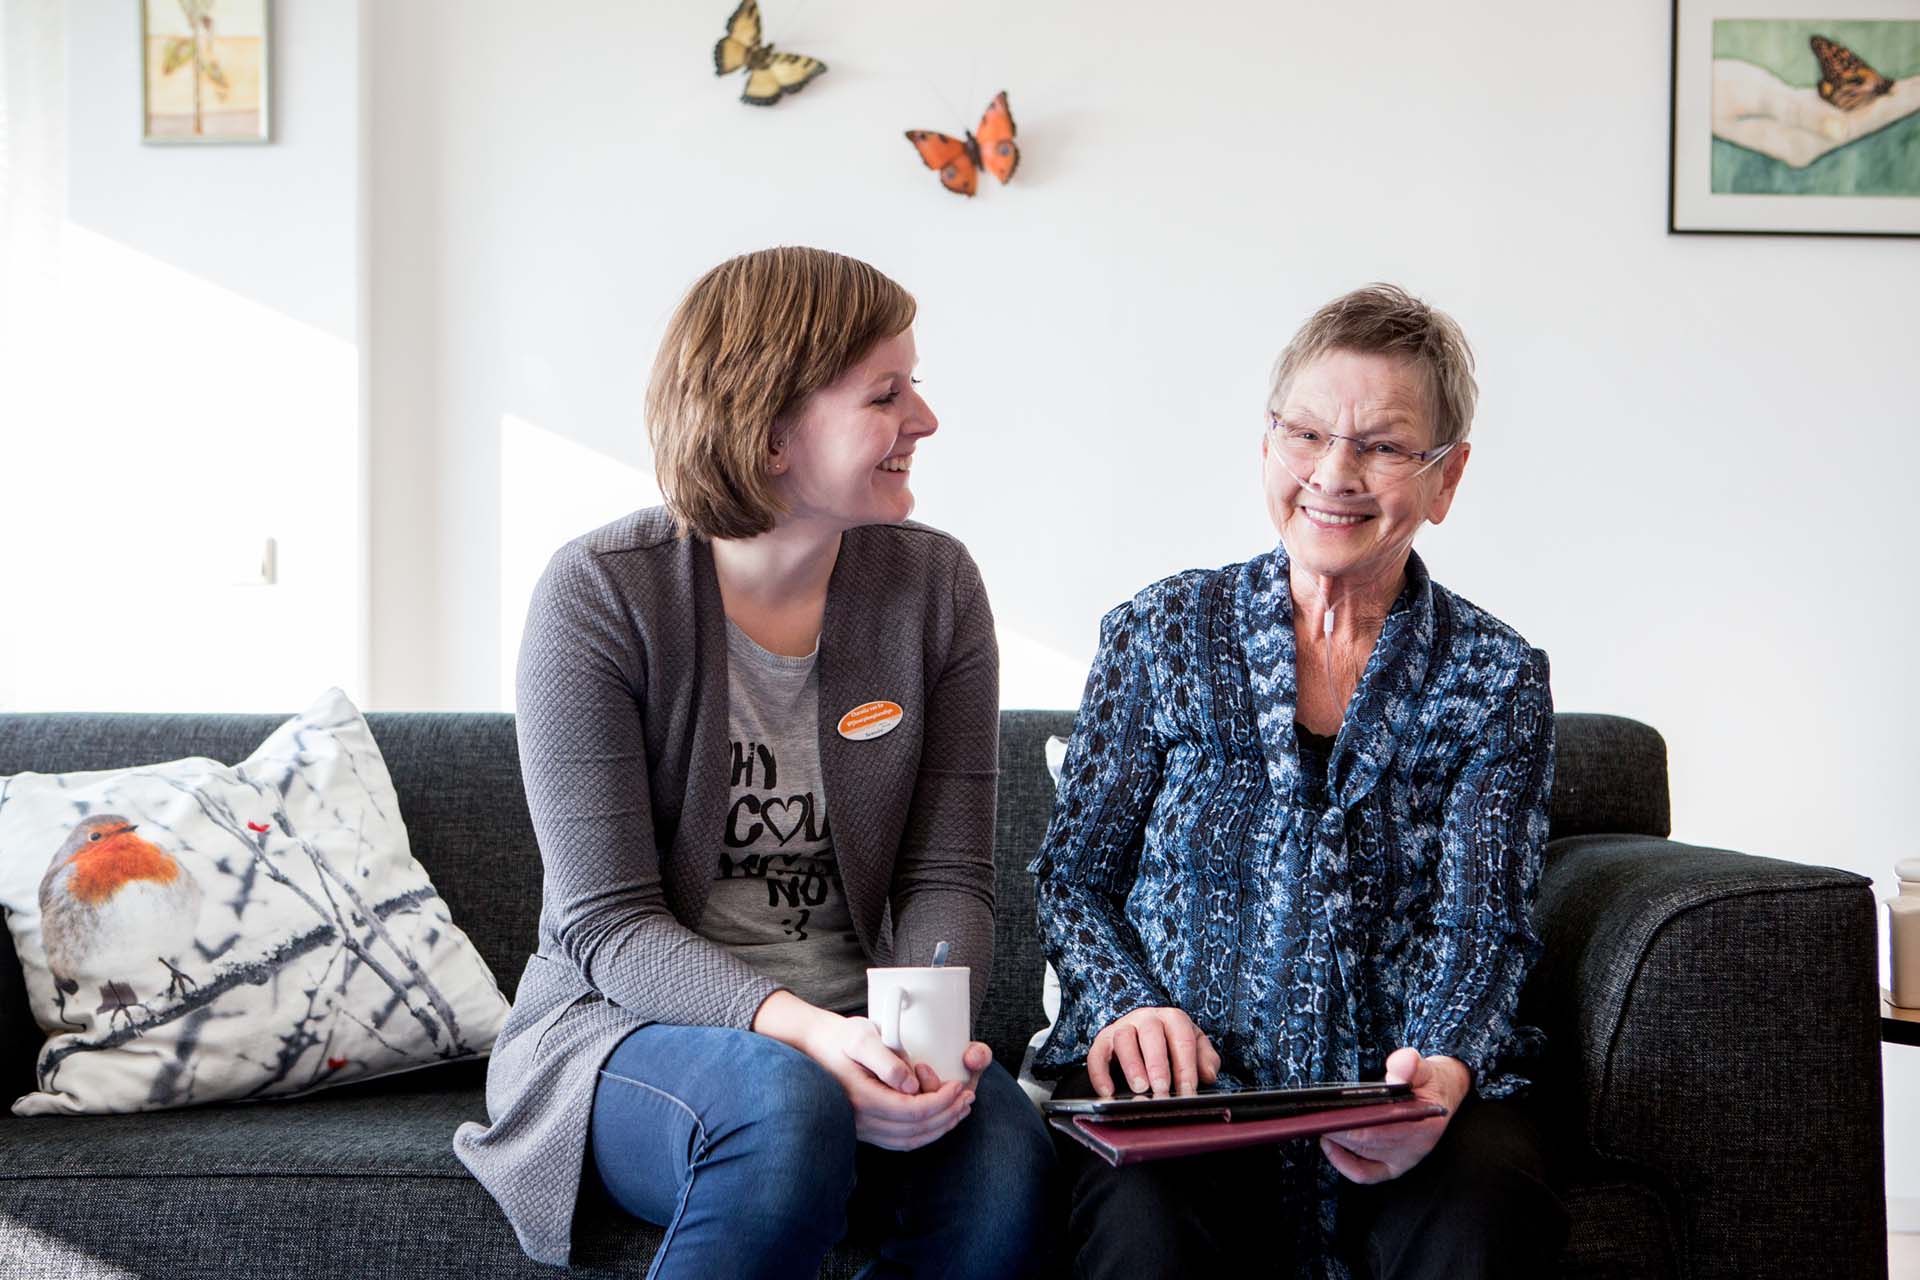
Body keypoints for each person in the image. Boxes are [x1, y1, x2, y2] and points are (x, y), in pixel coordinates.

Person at [455, 246, 1054, 1278]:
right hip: (623, 1033)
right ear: (773, 431)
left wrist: (914, 1041)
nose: (925, 418)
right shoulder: (602, 594)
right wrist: (816, 1040)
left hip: (862, 1028)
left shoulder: (936, 586)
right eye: (887, 392)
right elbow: (607, 922)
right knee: (786, 1106)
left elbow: (948, 876)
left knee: (1004, 1150)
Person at [1030, 285, 1569, 1279]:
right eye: (1307, 433)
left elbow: (1483, 924)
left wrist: (1440, 1073)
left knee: (1479, 1211)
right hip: (1184, 1086)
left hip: (1398, 1088)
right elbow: (1074, 878)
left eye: (1382, 445)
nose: (1333, 472)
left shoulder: (1497, 676)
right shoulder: (1159, 632)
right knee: (1139, 1224)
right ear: (1266, 444)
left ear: (1445, 480)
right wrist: (1129, 1007)